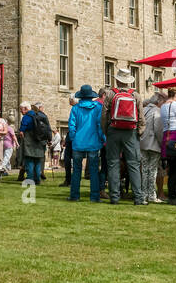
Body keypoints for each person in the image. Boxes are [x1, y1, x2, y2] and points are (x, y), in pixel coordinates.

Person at [99, 67, 144, 205]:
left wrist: (107, 131)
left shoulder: (111, 94)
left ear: (117, 80)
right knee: (134, 164)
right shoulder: (135, 95)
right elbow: (141, 117)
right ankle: (138, 197)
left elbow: (104, 116)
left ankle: (114, 197)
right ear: (129, 81)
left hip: (114, 129)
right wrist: (139, 132)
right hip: (131, 132)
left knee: (113, 163)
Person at [66, 84, 105, 202]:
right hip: (93, 142)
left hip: (78, 142)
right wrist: (102, 138)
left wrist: (73, 138)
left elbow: (71, 126)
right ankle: (94, 196)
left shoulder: (76, 108)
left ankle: (74, 195)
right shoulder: (98, 107)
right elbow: (100, 125)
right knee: (93, 170)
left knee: (77, 169)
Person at [138, 90, 164, 206]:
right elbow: (158, 130)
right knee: (152, 170)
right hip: (153, 144)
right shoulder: (157, 111)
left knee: (144, 169)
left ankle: (144, 194)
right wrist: (161, 142)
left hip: (142, 143)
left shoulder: (144, 109)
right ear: (159, 102)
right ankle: (151, 195)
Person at [19, 101, 49, 184]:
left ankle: (30, 179)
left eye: (21, 109)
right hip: (39, 141)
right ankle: (37, 179)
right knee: (37, 161)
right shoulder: (40, 115)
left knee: (29, 161)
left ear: (25, 109)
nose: (21, 111)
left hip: (29, 141)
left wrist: (21, 131)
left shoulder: (26, 117)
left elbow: (22, 130)